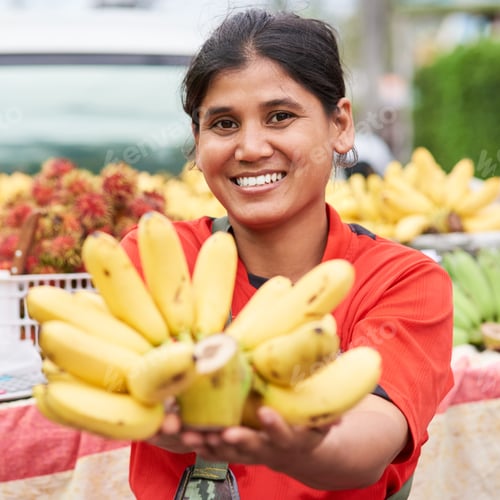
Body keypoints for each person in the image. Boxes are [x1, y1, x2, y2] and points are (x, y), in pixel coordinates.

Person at [120, 8, 453, 499]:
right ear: (198, 141)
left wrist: (281, 441)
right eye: (224, 124)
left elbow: (369, 444)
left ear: (339, 125)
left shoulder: (403, 283)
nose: (251, 147)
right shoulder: (161, 259)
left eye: (280, 116)